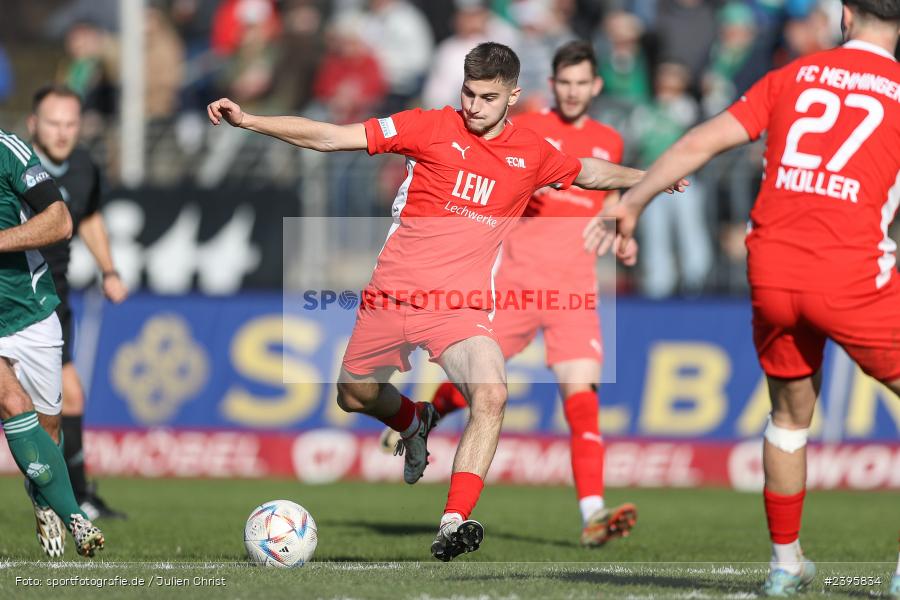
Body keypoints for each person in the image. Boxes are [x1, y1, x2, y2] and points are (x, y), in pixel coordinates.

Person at [208, 42, 684, 562]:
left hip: (460, 306)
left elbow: (587, 171)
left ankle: (454, 522)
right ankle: (414, 422)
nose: (474, 106)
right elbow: (330, 136)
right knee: (354, 395)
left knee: (492, 394)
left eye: (487, 96)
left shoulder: (531, 152)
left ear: (513, 96)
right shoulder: (428, 126)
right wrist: (250, 120)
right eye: (468, 92)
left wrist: (650, 179)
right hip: (392, 296)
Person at [587, 0, 900, 595]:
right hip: (850, 271)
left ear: (847, 16)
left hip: (773, 267)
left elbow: (702, 141)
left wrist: (632, 201)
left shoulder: (793, 74)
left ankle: (785, 567)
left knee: (787, 419)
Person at [381, 40, 638, 548]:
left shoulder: (609, 138)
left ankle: (592, 515)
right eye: (564, 83)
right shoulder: (525, 130)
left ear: (596, 86)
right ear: (552, 85)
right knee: (482, 387)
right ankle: (430, 414)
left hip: (575, 291)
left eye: (582, 83)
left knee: (581, 397)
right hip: (514, 284)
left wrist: (620, 226)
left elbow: (608, 199)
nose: (572, 92)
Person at [0, 125, 104, 557]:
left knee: (49, 427)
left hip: (31, 310)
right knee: (10, 400)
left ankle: (45, 499)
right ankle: (76, 517)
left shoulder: (7, 149)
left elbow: (60, 221)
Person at [27, 84, 129, 520]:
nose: (63, 131)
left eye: (71, 123)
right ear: (33, 124)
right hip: (11, 298)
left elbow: (87, 216)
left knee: (71, 397)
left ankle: (79, 496)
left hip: (54, 299)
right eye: (53, 122)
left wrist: (109, 269)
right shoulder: (14, 165)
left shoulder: (84, 164)